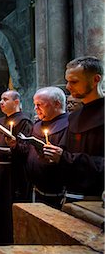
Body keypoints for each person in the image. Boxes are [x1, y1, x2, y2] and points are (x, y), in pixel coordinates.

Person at [43, 56, 104, 203]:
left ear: (96, 80)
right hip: (71, 195)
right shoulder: (74, 116)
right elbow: (65, 151)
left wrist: (65, 157)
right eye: (67, 81)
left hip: (96, 200)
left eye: (74, 82)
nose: (68, 87)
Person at [0, 90, 33, 244]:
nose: (1, 102)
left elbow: (27, 149)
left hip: (14, 172)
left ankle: (12, 240)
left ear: (16, 102)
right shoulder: (1, 122)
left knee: (10, 206)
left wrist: (14, 146)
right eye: (0, 99)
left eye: (5, 99)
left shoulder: (24, 122)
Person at [16, 87, 68, 208]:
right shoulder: (37, 125)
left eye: (39, 105)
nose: (36, 109)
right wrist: (15, 146)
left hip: (57, 192)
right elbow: (27, 152)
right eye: (35, 105)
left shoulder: (68, 125)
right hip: (35, 188)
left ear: (57, 104)